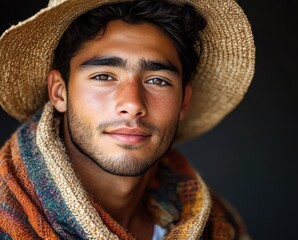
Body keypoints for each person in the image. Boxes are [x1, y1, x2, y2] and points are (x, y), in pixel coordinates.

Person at [0, 0, 255, 239]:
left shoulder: (220, 224)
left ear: (183, 102)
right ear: (59, 91)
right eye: (104, 76)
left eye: (158, 81)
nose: (132, 104)